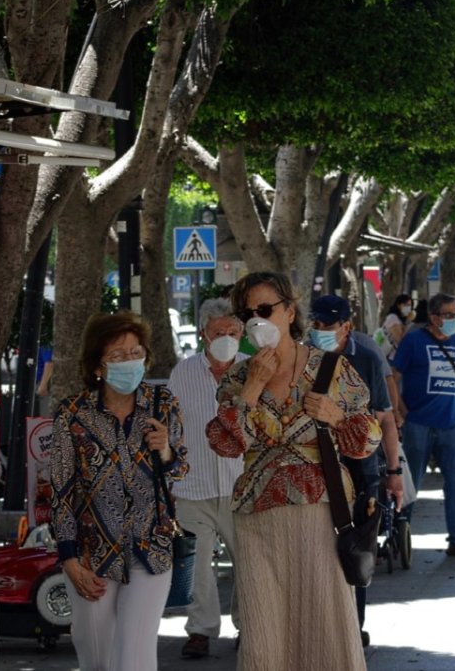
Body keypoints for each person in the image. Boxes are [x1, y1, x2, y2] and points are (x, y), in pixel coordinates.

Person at [206, 272, 380, 671]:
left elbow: (365, 441)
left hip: (320, 512)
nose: (256, 320)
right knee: (265, 631)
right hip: (257, 515)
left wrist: (335, 416)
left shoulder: (332, 368)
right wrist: (252, 387)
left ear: (289, 311)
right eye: (246, 313)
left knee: (325, 622)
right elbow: (223, 443)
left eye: (264, 309)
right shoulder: (237, 375)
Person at [50, 312, 188, 671]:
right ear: (98, 365)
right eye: (118, 355)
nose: (130, 361)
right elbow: (61, 490)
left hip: (150, 549)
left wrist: (166, 451)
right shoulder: (72, 414)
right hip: (91, 554)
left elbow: (180, 469)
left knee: (134, 657)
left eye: (135, 352)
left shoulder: (163, 404)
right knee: (96, 658)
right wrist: (69, 558)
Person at [307, 294, 404, 647]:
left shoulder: (366, 358)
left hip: (361, 469)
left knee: (356, 547)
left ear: (346, 326)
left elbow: (385, 418)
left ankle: (353, 625)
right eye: (315, 325)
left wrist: (394, 471)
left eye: (327, 326)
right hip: (313, 468)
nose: (320, 331)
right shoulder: (303, 357)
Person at [167, 298, 247, 660]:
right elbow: (171, 429)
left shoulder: (252, 371)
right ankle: (200, 631)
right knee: (197, 566)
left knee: (248, 563)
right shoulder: (182, 373)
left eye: (233, 332)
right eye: (219, 332)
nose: (227, 338)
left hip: (241, 488)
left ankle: (249, 627)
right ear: (203, 335)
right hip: (192, 488)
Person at [393, 292, 455, 557]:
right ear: (433, 317)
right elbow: (393, 376)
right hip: (417, 422)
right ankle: (399, 534)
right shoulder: (414, 341)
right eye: (449, 315)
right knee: (410, 483)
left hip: (451, 423)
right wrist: (400, 411)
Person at [375, 293, 413, 361]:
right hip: (390, 356)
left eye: (410, 305)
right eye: (405, 305)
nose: (408, 308)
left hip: (396, 356)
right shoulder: (393, 318)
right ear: (398, 305)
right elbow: (400, 340)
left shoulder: (401, 319)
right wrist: (408, 321)